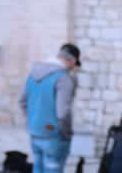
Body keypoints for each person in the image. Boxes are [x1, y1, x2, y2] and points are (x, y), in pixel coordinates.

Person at [19, 43, 82, 173]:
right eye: (74, 65)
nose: (73, 68)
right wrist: (66, 134)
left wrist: (34, 120)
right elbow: (62, 113)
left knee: (38, 168)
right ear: (72, 61)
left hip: (35, 131)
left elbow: (22, 101)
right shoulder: (63, 78)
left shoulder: (33, 73)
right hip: (54, 134)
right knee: (53, 169)